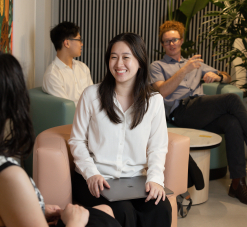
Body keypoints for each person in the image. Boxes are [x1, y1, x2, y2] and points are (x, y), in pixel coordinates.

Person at [0, 49, 122, 227]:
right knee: (102, 216)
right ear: (14, 105)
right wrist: (74, 222)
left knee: (104, 211)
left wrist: (32, 210)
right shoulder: (5, 175)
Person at [69, 33, 172, 227]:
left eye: (126, 57)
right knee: (123, 211)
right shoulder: (91, 95)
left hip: (135, 181)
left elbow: (157, 147)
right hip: (96, 178)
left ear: (140, 61)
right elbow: (76, 141)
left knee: (161, 207)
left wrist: (156, 179)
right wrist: (91, 174)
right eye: (113, 57)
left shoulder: (154, 101)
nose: (119, 64)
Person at [150, 20, 247, 206]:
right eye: (167, 41)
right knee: (231, 100)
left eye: (174, 39)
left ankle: (238, 184)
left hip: (200, 111)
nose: (171, 44)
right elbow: (162, 92)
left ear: (181, 40)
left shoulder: (194, 63)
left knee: (232, 123)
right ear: (162, 44)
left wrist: (219, 76)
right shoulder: (157, 66)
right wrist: (184, 70)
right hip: (180, 111)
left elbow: (227, 76)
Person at [42, 21, 93, 106]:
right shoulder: (52, 75)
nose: (81, 44)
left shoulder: (83, 67)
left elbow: (92, 97)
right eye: (79, 40)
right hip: (73, 118)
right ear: (67, 43)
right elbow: (66, 109)